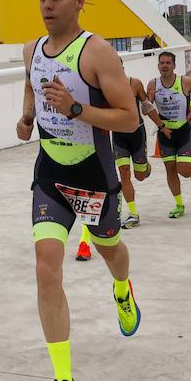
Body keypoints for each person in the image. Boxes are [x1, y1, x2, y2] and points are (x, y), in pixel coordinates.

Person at [17, 0, 141, 381]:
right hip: (50, 172)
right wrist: (28, 116)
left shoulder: (98, 53)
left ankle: (123, 290)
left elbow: (128, 119)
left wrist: (75, 108)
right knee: (46, 268)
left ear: (78, 1)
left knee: (110, 250)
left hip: (92, 173)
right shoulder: (30, 49)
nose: (47, 5)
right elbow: (31, 85)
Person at [78, 62, 152, 258]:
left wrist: (160, 125)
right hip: (118, 137)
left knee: (141, 175)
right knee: (124, 174)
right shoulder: (103, 89)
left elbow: (146, 105)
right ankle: (133, 213)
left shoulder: (134, 83)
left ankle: (145, 167)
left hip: (137, 133)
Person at [146, 51, 191, 218]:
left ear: (174, 65)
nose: (165, 66)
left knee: (185, 170)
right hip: (164, 132)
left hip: (183, 130)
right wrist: (149, 100)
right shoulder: (152, 84)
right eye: (162, 63)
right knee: (170, 170)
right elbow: (146, 111)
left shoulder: (185, 82)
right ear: (158, 66)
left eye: (168, 63)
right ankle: (179, 204)